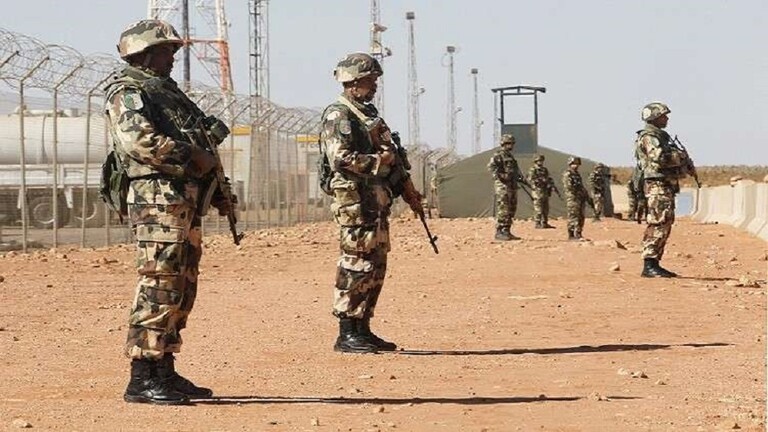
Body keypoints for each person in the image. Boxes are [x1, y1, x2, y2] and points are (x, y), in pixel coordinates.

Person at [106, 19, 235, 404]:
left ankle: (163, 367)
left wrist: (218, 190)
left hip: (181, 199)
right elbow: (139, 142)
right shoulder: (129, 91)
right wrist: (190, 155)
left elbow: (205, 146)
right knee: (160, 280)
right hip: (157, 200)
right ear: (143, 54)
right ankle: (142, 374)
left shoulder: (168, 93)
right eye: (166, 51)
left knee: (182, 282)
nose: (173, 58)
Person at [320, 52, 423, 353]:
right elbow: (341, 159)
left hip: (374, 202)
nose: (374, 85)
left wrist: (407, 189)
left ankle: (362, 327)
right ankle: (347, 332)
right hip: (355, 203)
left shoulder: (368, 115)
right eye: (369, 80)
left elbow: (394, 160)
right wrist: (381, 161)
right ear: (352, 81)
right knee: (355, 262)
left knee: (375, 264)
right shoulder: (339, 115)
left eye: (375, 79)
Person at [634, 102, 696, 277]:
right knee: (658, 222)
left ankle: (654, 263)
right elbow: (659, 158)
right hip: (657, 185)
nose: (666, 118)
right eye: (663, 116)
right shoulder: (650, 137)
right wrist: (680, 157)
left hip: (664, 184)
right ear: (654, 117)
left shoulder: (661, 136)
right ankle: (649, 264)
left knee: (664, 221)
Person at [488, 134, 525, 240]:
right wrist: (501, 176)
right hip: (503, 186)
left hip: (512, 185)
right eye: (508, 143)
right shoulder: (498, 155)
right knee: (503, 208)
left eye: (512, 143)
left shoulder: (510, 156)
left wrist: (519, 177)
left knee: (512, 208)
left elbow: (515, 170)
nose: (511, 145)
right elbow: (491, 167)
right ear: (503, 143)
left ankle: (507, 230)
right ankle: (499, 231)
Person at [562, 156, 590, 240]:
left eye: (577, 164)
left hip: (580, 198)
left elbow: (581, 186)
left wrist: (586, 195)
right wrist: (579, 191)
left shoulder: (577, 174)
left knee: (581, 216)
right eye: (574, 164)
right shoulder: (567, 174)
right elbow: (569, 187)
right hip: (573, 198)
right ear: (570, 164)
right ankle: (571, 235)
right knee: (573, 216)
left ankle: (578, 233)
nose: (576, 165)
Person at [527, 154, 556, 229]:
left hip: (545, 191)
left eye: (542, 160)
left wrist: (550, 184)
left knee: (546, 208)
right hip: (537, 191)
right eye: (539, 160)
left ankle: (544, 223)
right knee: (538, 208)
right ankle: (537, 223)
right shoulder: (533, 169)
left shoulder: (544, 170)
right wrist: (541, 181)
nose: (541, 162)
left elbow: (548, 178)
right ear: (536, 161)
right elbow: (530, 179)